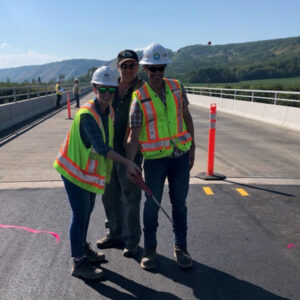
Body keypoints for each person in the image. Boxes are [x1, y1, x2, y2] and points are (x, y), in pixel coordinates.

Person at [53, 66, 140, 280]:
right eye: (103, 90)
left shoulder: (107, 111)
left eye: (111, 90)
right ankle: (79, 262)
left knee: (87, 211)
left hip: (86, 174)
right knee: (80, 214)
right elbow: (102, 148)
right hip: (73, 172)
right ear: (94, 88)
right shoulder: (86, 115)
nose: (108, 94)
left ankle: (83, 249)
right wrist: (128, 163)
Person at [126, 43, 196, 270]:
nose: (157, 73)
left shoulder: (177, 88)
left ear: (165, 68)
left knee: (180, 205)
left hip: (180, 157)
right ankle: (150, 250)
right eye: (152, 68)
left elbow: (186, 116)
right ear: (145, 69)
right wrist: (129, 163)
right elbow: (134, 135)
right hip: (155, 160)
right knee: (152, 206)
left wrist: (192, 147)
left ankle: (181, 248)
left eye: (161, 68)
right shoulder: (140, 98)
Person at [97, 50, 144, 258]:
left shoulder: (143, 89)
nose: (128, 69)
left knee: (130, 196)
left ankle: (131, 240)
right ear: (118, 67)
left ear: (138, 67)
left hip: (131, 150)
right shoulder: (111, 86)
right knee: (109, 194)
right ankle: (114, 233)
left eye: (132, 65)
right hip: (108, 150)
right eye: (124, 65)